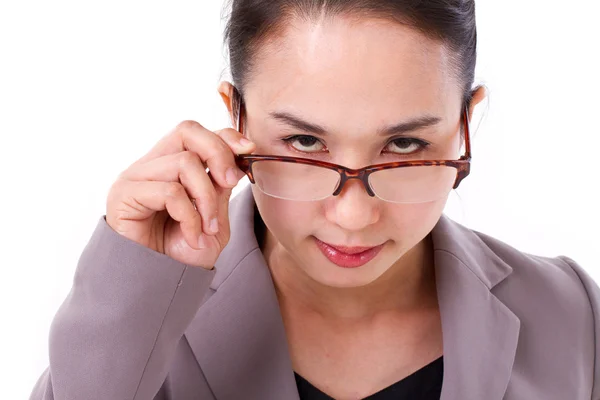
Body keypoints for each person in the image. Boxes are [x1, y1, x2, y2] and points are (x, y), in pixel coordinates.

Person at [30, 0, 599, 399]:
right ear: (237, 118)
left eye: (404, 144)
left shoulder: (571, 314)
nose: (352, 215)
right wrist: (131, 286)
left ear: (465, 126)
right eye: (304, 142)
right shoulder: (142, 314)